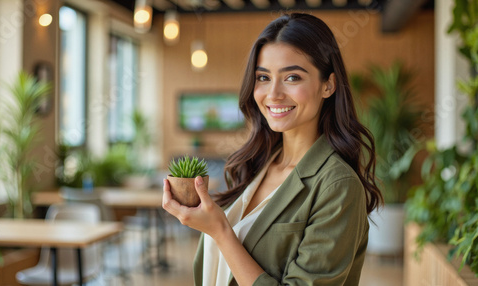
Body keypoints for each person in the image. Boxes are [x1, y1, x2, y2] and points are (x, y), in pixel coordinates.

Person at [162, 12, 383, 286]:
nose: (273, 93)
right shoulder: (255, 164)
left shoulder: (337, 185)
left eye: (292, 77)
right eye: (263, 77)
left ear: (328, 85)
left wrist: (220, 230)